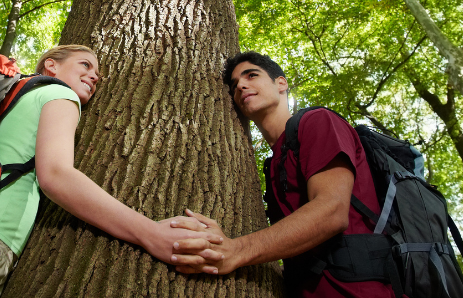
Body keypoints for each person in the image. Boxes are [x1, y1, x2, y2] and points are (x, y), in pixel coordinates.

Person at [0, 45, 220, 298]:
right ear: (51, 66)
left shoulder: (16, 98)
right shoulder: (56, 93)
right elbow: (56, 175)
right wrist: (150, 233)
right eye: (85, 65)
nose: (94, 76)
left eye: (97, 74)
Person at [168, 51, 392, 297]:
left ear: (281, 83)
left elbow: (332, 211)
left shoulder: (317, 121)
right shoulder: (273, 163)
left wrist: (237, 250)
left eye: (251, 75)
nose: (241, 85)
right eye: (234, 86)